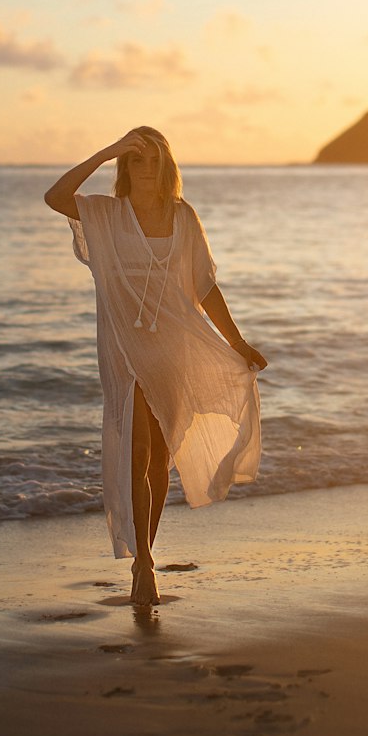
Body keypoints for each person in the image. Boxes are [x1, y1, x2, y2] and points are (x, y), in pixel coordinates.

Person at [44, 128, 267, 605]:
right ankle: (143, 562)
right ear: (125, 169)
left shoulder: (183, 218)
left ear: (167, 168)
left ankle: (148, 550)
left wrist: (239, 342)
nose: (145, 169)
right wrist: (108, 150)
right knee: (138, 449)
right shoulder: (107, 214)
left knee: (161, 454)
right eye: (136, 161)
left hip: (171, 348)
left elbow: (204, 288)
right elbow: (55, 196)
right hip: (125, 348)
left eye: (153, 161)